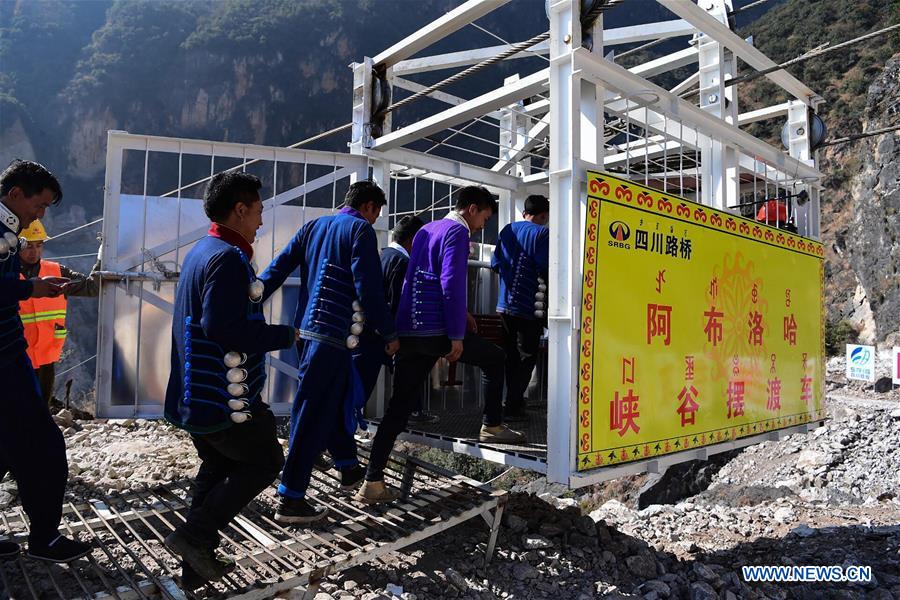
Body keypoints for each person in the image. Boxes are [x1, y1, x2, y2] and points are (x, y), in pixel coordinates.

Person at [163, 171, 297, 583]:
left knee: (217, 468)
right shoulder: (226, 258)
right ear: (239, 210)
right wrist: (285, 334)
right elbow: (222, 327)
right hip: (223, 401)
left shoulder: (204, 250)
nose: (260, 221)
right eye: (257, 211)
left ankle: (193, 568)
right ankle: (194, 535)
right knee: (265, 462)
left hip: (196, 399)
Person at [358, 186, 524, 505]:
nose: (482, 226)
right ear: (471, 209)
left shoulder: (426, 230)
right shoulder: (458, 233)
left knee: (397, 408)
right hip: (438, 330)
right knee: (495, 358)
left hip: (411, 330)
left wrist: (401, 330)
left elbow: (416, 280)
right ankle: (491, 425)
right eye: (484, 218)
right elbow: (450, 281)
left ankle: (373, 481)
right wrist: (457, 334)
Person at [258, 180, 398, 523]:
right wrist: (389, 331)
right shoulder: (360, 231)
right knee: (310, 411)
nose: (375, 219)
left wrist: (252, 295)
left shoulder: (313, 226)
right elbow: (368, 287)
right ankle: (290, 496)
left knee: (333, 402)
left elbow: (278, 268)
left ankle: (348, 468)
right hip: (333, 336)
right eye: (376, 212)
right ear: (368, 207)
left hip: (306, 334)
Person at [0, 159, 91, 562]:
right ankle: (46, 540)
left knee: (5, 449)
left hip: (10, 355)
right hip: (4, 361)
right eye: (38, 206)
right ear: (16, 194)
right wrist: (30, 287)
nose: (38, 216)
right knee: (47, 447)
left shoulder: (8, 230)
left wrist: (31, 285)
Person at [18, 219, 101, 405]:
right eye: (29, 246)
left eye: (39, 245)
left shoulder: (55, 271)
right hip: (16, 358)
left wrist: (103, 258)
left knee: (41, 410)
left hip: (45, 357)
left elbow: (91, 288)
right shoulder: (7, 276)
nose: (35, 252)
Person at [492, 195, 549, 420]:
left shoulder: (507, 230)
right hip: (529, 307)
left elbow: (495, 263)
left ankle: (512, 402)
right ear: (543, 215)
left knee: (511, 357)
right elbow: (545, 267)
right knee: (527, 357)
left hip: (504, 305)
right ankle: (513, 406)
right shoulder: (542, 233)